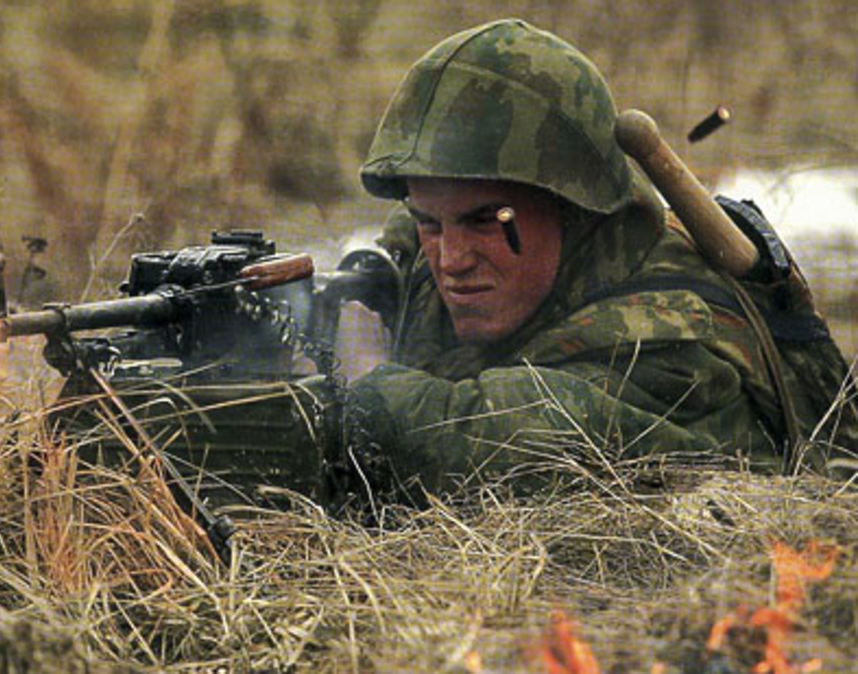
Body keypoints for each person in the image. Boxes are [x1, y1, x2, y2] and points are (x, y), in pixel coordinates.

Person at [337, 18, 856, 497]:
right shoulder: (521, 268)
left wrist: (362, 385)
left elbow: (469, 443)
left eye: (484, 222)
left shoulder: (665, 344)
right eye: (430, 223)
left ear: (574, 210)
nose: (451, 260)